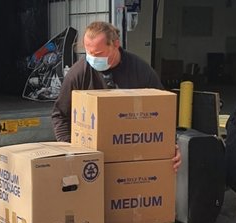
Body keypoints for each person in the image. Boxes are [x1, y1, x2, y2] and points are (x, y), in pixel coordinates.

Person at [52, 21, 181, 172]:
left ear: (116, 44)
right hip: (91, 162)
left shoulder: (140, 71)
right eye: (88, 53)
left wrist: (170, 145)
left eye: (98, 54)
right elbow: (60, 115)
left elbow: (162, 111)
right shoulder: (78, 73)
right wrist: (70, 151)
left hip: (132, 155)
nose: (92, 58)